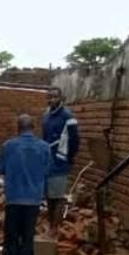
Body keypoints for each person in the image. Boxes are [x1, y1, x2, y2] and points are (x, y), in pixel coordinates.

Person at [0, 114, 51, 255]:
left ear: (18, 128)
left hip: (13, 198)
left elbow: (1, 169)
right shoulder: (44, 147)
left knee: (11, 235)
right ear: (33, 128)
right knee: (28, 236)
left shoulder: (8, 146)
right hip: (33, 199)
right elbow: (47, 170)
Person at [42, 87, 80, 238]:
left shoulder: (68, 116)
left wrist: (69, 158)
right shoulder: (46, 116)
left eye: (55, 97)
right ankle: (51, 223)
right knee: (49, 196)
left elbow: (75, 140)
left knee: (57, 196)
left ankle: (54, 227)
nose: (51, 100)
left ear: (61, 98)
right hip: (48, 161)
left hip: (60, 160)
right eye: (49, 97)